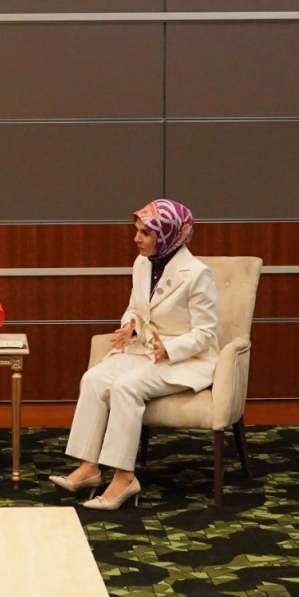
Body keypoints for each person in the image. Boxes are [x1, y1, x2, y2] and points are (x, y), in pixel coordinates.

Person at [52, 199, 219, 511]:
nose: (136, 238)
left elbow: (206, 333)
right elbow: (135, 307)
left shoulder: (198, 274)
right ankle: (89, 467)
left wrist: (170, 348)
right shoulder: (142, 263)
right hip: (145, 350)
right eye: (138, 231)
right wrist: (129, 325)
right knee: (94, 378)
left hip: (185, 359)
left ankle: (124, 478)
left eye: (145, 233)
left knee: (125, 387)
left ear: (168, 235)